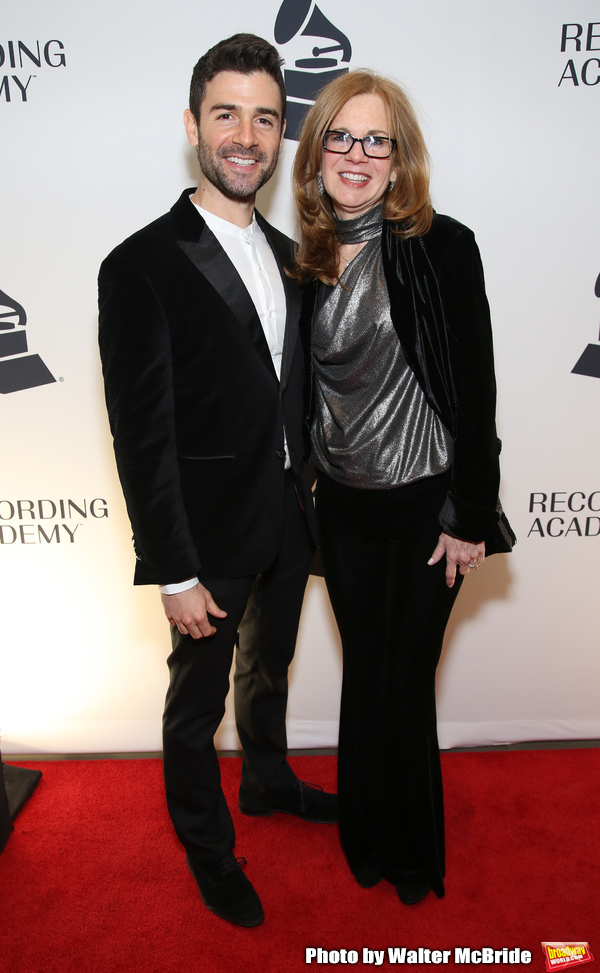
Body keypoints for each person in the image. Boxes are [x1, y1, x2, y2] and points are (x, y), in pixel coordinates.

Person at [98, 34, 336, 929]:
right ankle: (208, 847)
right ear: (192, 125)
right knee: (195, 704)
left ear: (283, 133)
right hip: (201, 537)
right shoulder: (139, 264)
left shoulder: (293, 254)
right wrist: (173, 568)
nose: (247, 135)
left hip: (287, 514)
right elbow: (141, 432)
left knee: (268, 670)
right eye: (227, 114)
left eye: (266, 118)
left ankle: (269, 783)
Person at [292, 70, 511, 905]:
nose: (357, 153)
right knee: (366, 670)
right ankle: (366, 837)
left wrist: (468, 510)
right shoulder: (302, 263)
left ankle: (414, 856)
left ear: (400, 157)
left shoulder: (442, 246)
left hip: (429, 506)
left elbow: (478, 385)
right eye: (340, 137)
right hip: (342, 508)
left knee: (405, 674)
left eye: (376, 139)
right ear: (315, 155)